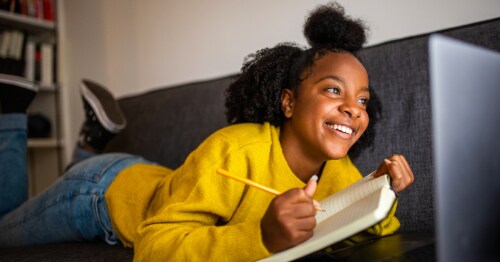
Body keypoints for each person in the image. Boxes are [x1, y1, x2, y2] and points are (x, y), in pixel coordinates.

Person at [0, 2, 414, 261]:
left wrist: (379, 192)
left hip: (157, 180)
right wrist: (261, 237)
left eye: (362, 100)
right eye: (333, 90)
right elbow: (153, 247)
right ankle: (11, 116)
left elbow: (362, 233)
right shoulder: (234, 150)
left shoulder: (337, 169)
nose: (353, 109)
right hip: (101, 193)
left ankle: (90, 142)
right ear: (288, 102)